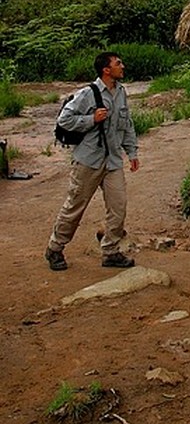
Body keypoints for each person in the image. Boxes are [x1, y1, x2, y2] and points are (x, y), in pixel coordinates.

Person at [45, 52, 140, 271]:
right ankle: (55, 248)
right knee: (75, 207)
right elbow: (64, 120)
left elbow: (127, 125)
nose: (122, 66)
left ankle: (111, 251)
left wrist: (132, 153)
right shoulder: (87, 94)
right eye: (118, 63)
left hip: (113, 161)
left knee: (118, 207)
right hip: (88, 161)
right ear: (106, 70)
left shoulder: (121, 92)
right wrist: (91, 119)